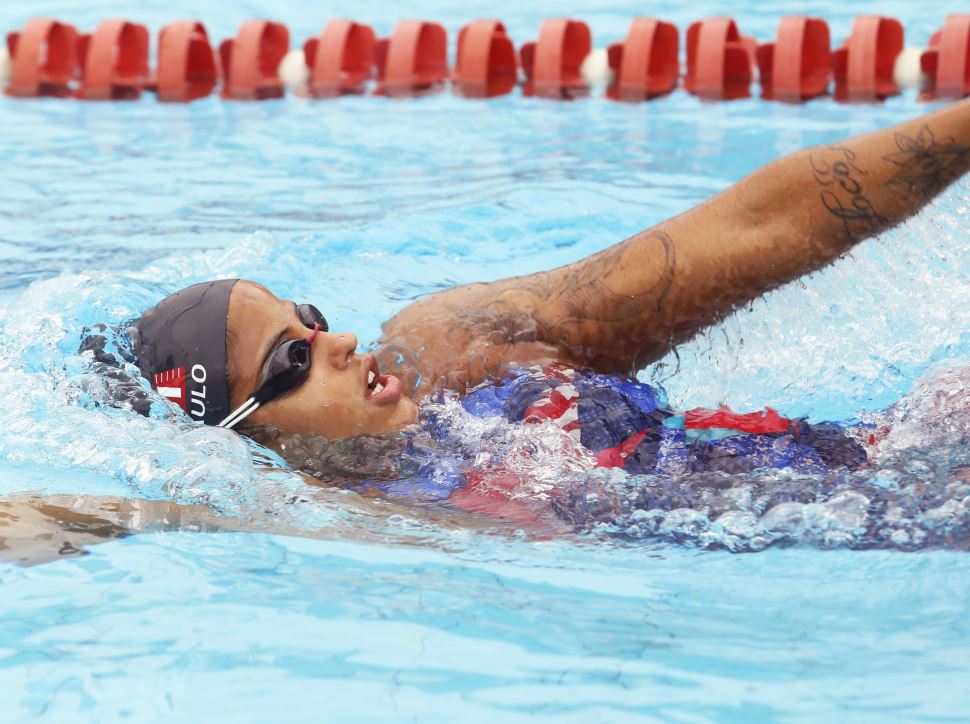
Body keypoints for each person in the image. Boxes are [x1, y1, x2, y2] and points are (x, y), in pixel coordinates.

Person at [7, 98, 970, 564]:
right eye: (293, 359)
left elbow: (749, 229)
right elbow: (154, 519)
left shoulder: (463, 345)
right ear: (248, 431)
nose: (335, 341)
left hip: (903, 446)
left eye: (313, 319)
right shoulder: (353, 518)